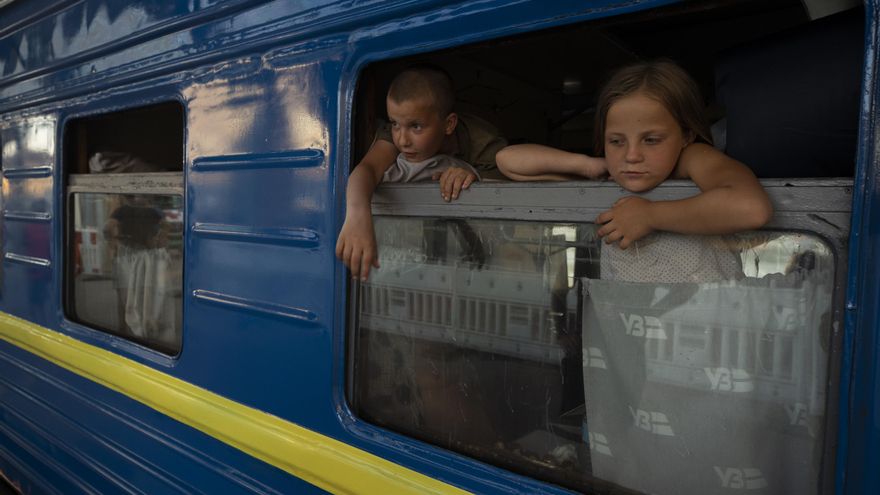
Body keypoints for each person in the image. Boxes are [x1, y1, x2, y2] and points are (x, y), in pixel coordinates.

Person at [496, 60, 773, 268]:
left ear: (686, 134)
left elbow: (751, 208)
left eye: (651, 140)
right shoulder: (611, 172)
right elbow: (508, 161)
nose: (631, 156)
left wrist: (650, 216)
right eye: (616, 141)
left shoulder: (691, 158)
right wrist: (588, 165)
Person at [336, 65, 508, 280]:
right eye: (394, 124)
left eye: (416, 127)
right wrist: (357, 215)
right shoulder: (399, 133)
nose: (402, 140)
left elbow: (509, 192)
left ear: (448, 124)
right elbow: (368, 169)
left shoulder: (484, 143)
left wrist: (474, 178)